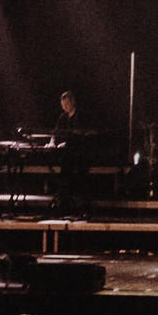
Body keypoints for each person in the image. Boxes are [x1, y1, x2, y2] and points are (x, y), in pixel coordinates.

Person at [51, 89, 92, 218]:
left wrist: (68, 143)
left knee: (79, 180)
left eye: (67, 104)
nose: (65, 107)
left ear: (73, 102)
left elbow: (81, 135)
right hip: (67, 155)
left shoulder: (80, 116)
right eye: (63, 105)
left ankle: (82, 208)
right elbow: (56, 133)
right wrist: (52, 142)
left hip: (79, 154)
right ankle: (64, 207)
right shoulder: (62, 117)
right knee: (64, 178)